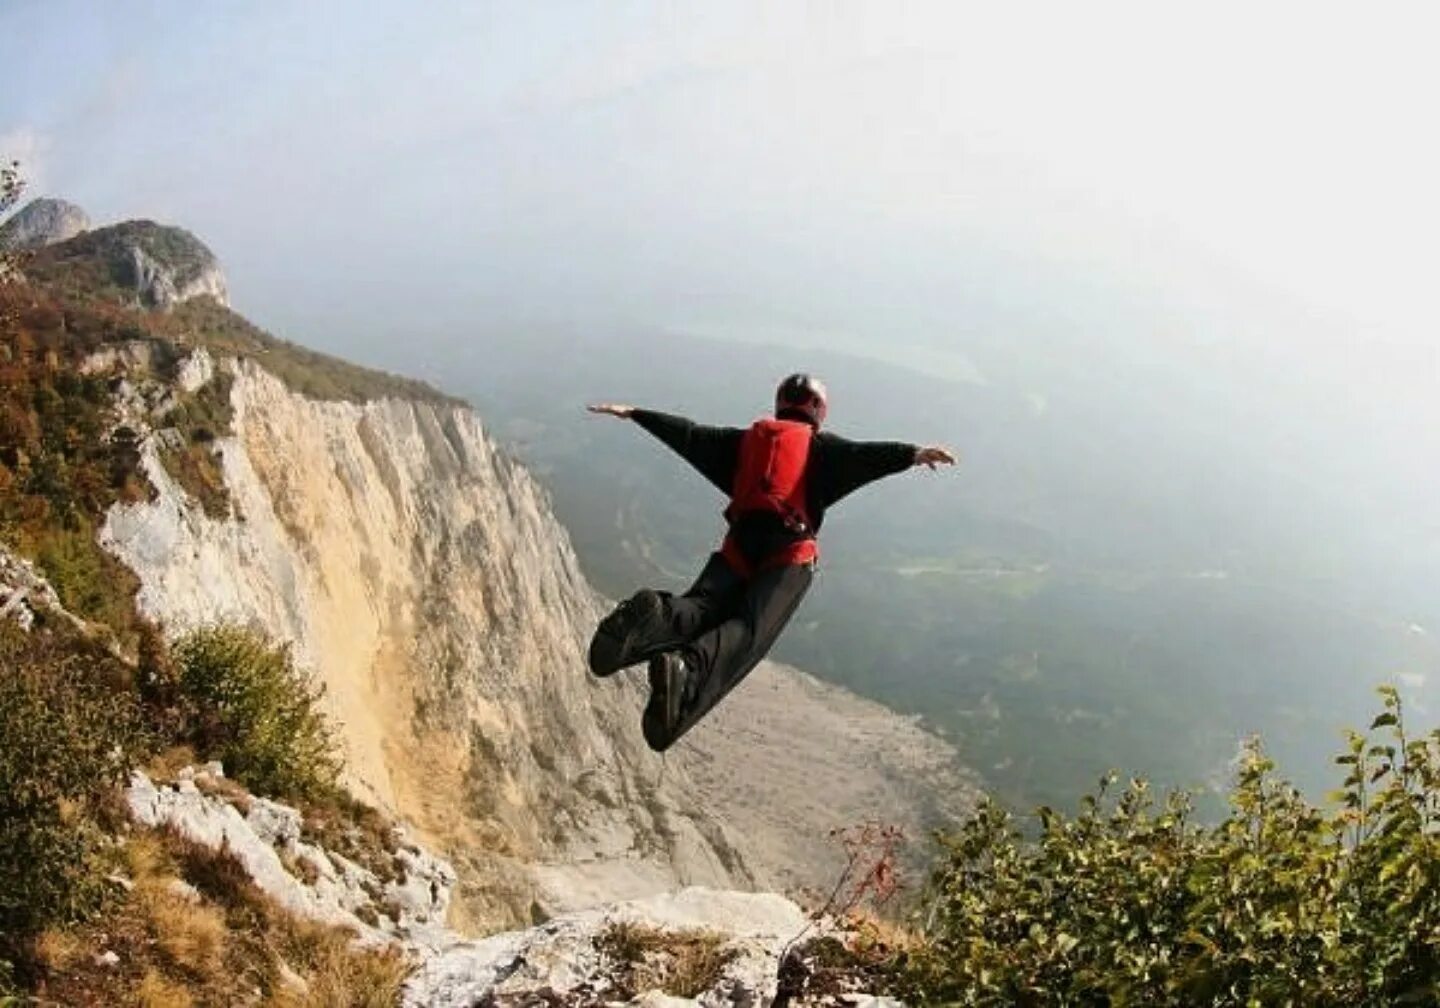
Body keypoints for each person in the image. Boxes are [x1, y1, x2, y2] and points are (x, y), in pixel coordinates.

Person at [587, 373, 956, 752]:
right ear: (817, 409)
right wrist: (914, 453)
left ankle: (658, 617)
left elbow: (690, 435)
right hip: (788, 553)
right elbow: (866, 456)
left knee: (703, 606)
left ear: (781, 402)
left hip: (739, 544)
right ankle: (687, 671)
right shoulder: (821, 448)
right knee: (749, 630)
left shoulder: (746, 441)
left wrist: (637, 413)